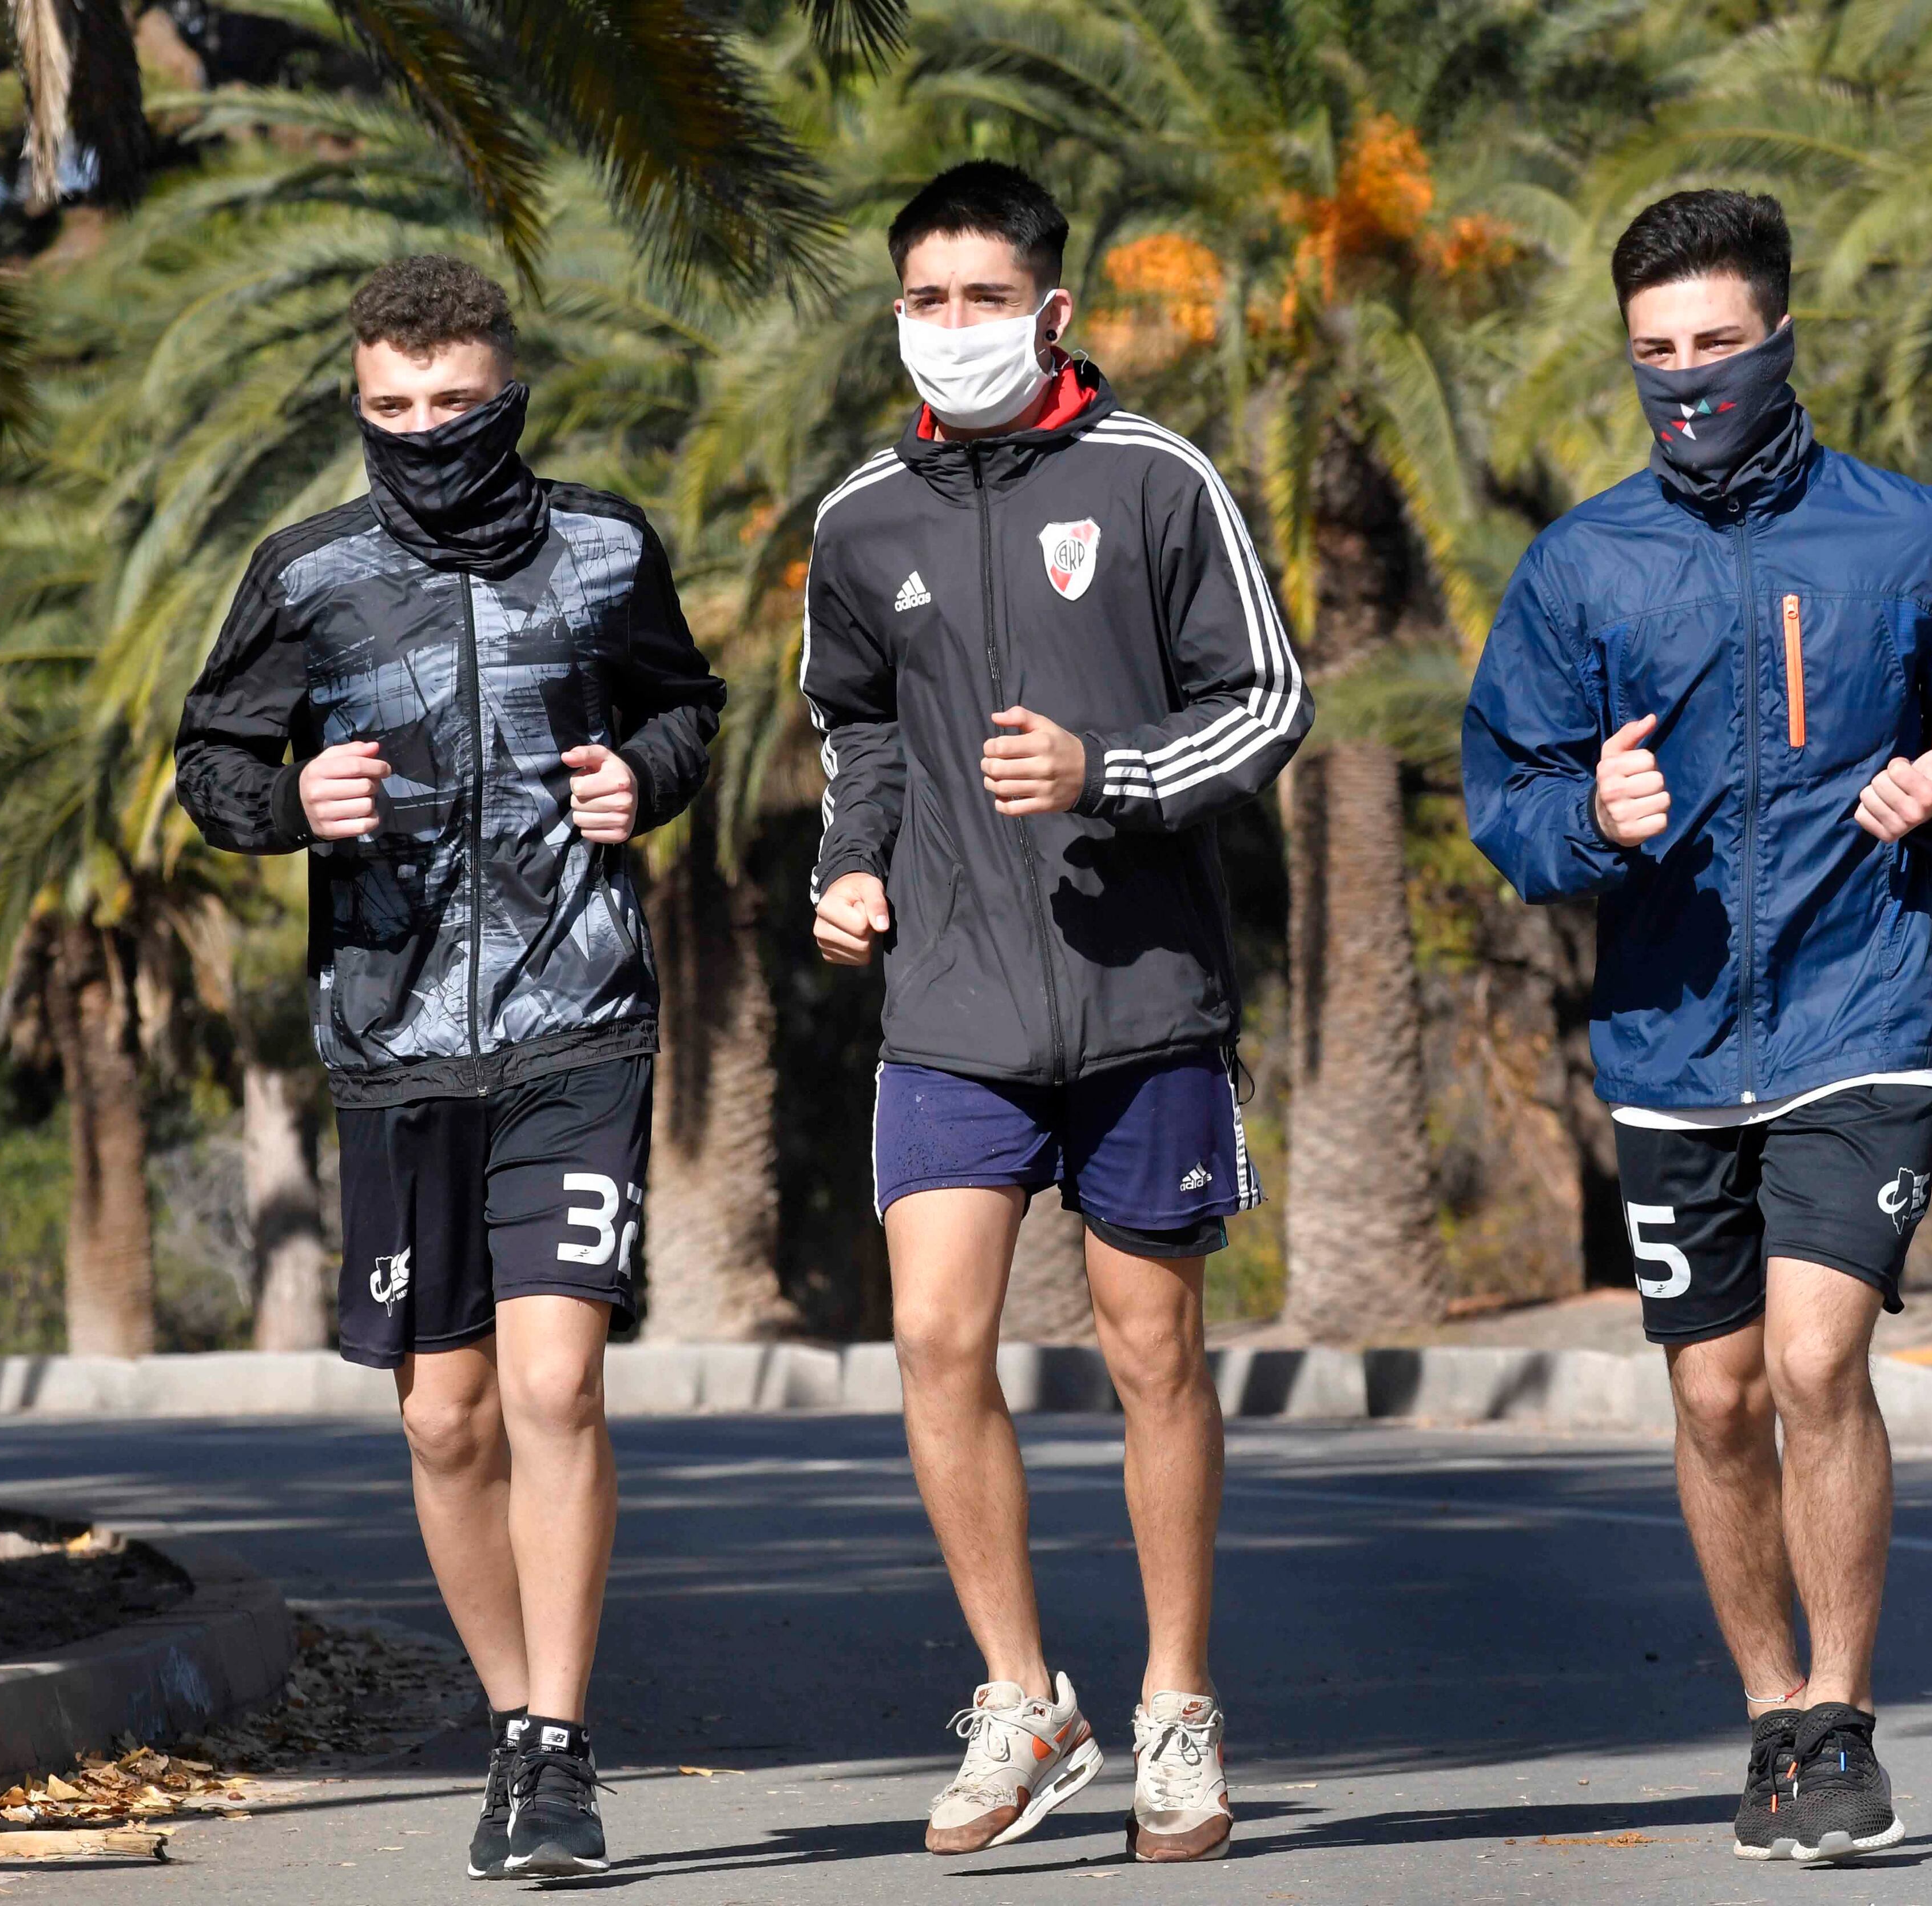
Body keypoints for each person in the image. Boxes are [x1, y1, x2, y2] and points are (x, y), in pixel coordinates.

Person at [1463, 190, 1932, 1865]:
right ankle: (1771, 1716)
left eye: (1719, 346)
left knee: (1811, 1361)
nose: (1689, 378)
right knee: (1716, 1398)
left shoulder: (1910, 537)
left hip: (1863, 1010)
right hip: (1666, 1039)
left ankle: (1844, 1720)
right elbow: (1507, 791)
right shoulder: (1582, 566)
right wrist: (1597, 811)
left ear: (1782, 342)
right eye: (1657, 354)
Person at [173, 254, 723, 1880]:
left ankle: (557, 1748)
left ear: (510, 397)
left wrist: (644, 777)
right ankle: (507, 1721)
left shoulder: (609, 547)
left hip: (580, 1019)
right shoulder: (311, 574)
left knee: (557, 1384)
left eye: (455, 407)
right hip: (394, 1039)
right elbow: (214, 759)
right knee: (446, 1424)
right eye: (393, 409)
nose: (424, 433)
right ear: (360, 404)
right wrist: (293, 807)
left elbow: (686, 708)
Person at [800, 160, 1311, 1864]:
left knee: (1151, 1347)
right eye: (923, 301)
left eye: (981, 299)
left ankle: (1176, 1709)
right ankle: (1025, 1700)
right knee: (939, 1339)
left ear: (1052, 310)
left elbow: (1273, 701)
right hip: (948, 999)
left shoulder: (1157, 479)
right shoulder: (862, 516)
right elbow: (853, 731)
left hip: (1141, 992)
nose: (951, 329)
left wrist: (1123, 772)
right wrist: (851, 867)